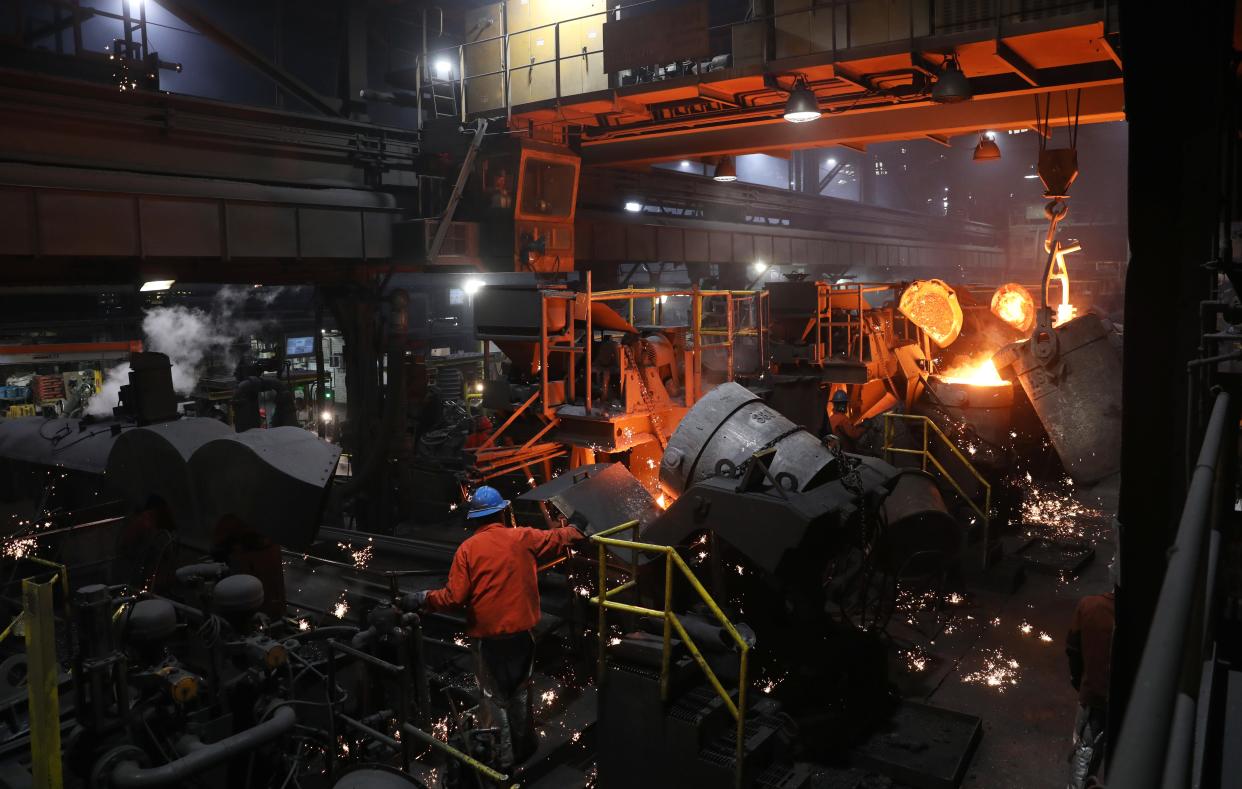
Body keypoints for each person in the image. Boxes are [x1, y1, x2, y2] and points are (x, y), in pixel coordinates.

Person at [405, 485, 585, 770]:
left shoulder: (467, 550)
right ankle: (526, 747)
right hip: (524, 638)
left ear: (475, 519)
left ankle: (503, 763)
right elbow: (558, 537)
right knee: (521, 691)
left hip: (490, 642)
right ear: (502, 513)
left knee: (494, 700)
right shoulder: (522, 537)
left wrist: (423, 598)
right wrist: (577, 526)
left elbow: (454, 597)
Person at [1065, 586, 1115, 788]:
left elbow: (1073, 650)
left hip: (1095, 699)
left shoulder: (1090, 605)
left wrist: (1081, 683)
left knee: (1085, 754)